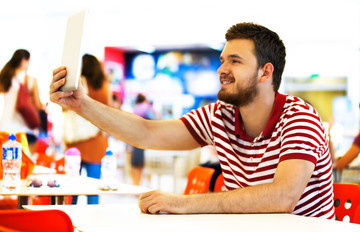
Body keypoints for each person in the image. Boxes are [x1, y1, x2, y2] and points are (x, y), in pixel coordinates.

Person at [50, 22, 334, 218]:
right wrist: (82, 104)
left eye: (235, 61)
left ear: (265, 72)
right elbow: (146, 132)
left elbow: (282, 198)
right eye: (223, 60)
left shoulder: (299, 117)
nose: (222, 69)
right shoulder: (220, 116)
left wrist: (183, 203)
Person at [63, 54, 110, 204]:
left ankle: (70, 223)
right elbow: (107, 111)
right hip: (96, 141)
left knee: (72, 189)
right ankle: (92, 223)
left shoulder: (77, 84)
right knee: (93, 189)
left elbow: (65, 108)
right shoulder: (102, 85)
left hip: (75, 143)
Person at [0, 49, 43, 152]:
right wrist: (44, 107)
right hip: (24, 133)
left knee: (6, 165)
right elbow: (38, 105)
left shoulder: (4, 78)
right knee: (26, 166)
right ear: (24, 61)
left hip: (4, 129)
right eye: (28, 62)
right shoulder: (30, 80)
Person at [130, 93, 157, 186]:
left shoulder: (135, 108)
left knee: (136, 166)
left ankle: (136, 187)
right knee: (148, 165)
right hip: (147, 141)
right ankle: (149, 186)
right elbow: (154, 121)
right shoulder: (147, 107)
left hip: (136, 140)